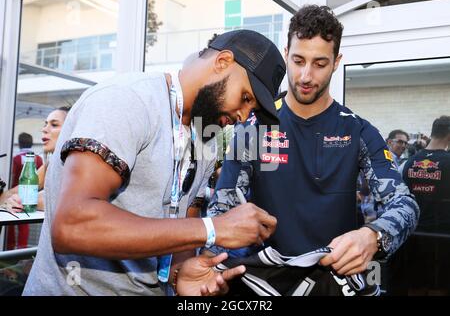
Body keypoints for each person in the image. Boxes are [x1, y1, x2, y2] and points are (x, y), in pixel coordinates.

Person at [22, 29, 284, 296]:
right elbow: (72, 225)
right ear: (222, 62)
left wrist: (180, 274)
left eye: (252, 111)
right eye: (246, 98)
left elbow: (183, 227)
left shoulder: (208, 139)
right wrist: (214, 228)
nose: (243, 116)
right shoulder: (127, 100)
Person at [207, 5, 419, 294]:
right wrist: (210, 267)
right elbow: (221, 210)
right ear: (286, 55)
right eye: (298, 60)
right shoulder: (252, 128)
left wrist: (373, 236)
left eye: (319, 63)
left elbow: (405, 204)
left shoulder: (358, 131)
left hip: (333, 281)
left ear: (336, 62)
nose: (305, 75)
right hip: (265, 284)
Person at [395, 115, 450, 295]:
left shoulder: (405, 163)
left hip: (413, 237)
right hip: (442, 238)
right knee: (439, 288)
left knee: (415, 286)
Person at [0, 107, 70, 212]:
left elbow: (67, 202)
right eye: (45, 124)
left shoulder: (82, 164)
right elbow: (10, 195)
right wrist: (9, 200)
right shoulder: (49, 165)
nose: (44, 129)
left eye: (54, 124)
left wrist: (25, 200)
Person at [6, 133, 44, 250]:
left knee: (11, 224)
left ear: (20, 142)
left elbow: (12, 176)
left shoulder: (16, 159)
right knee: (24, 224)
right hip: (31, 194)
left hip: (17, 194)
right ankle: (22, 248)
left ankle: (10, 248)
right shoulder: (38, 158)